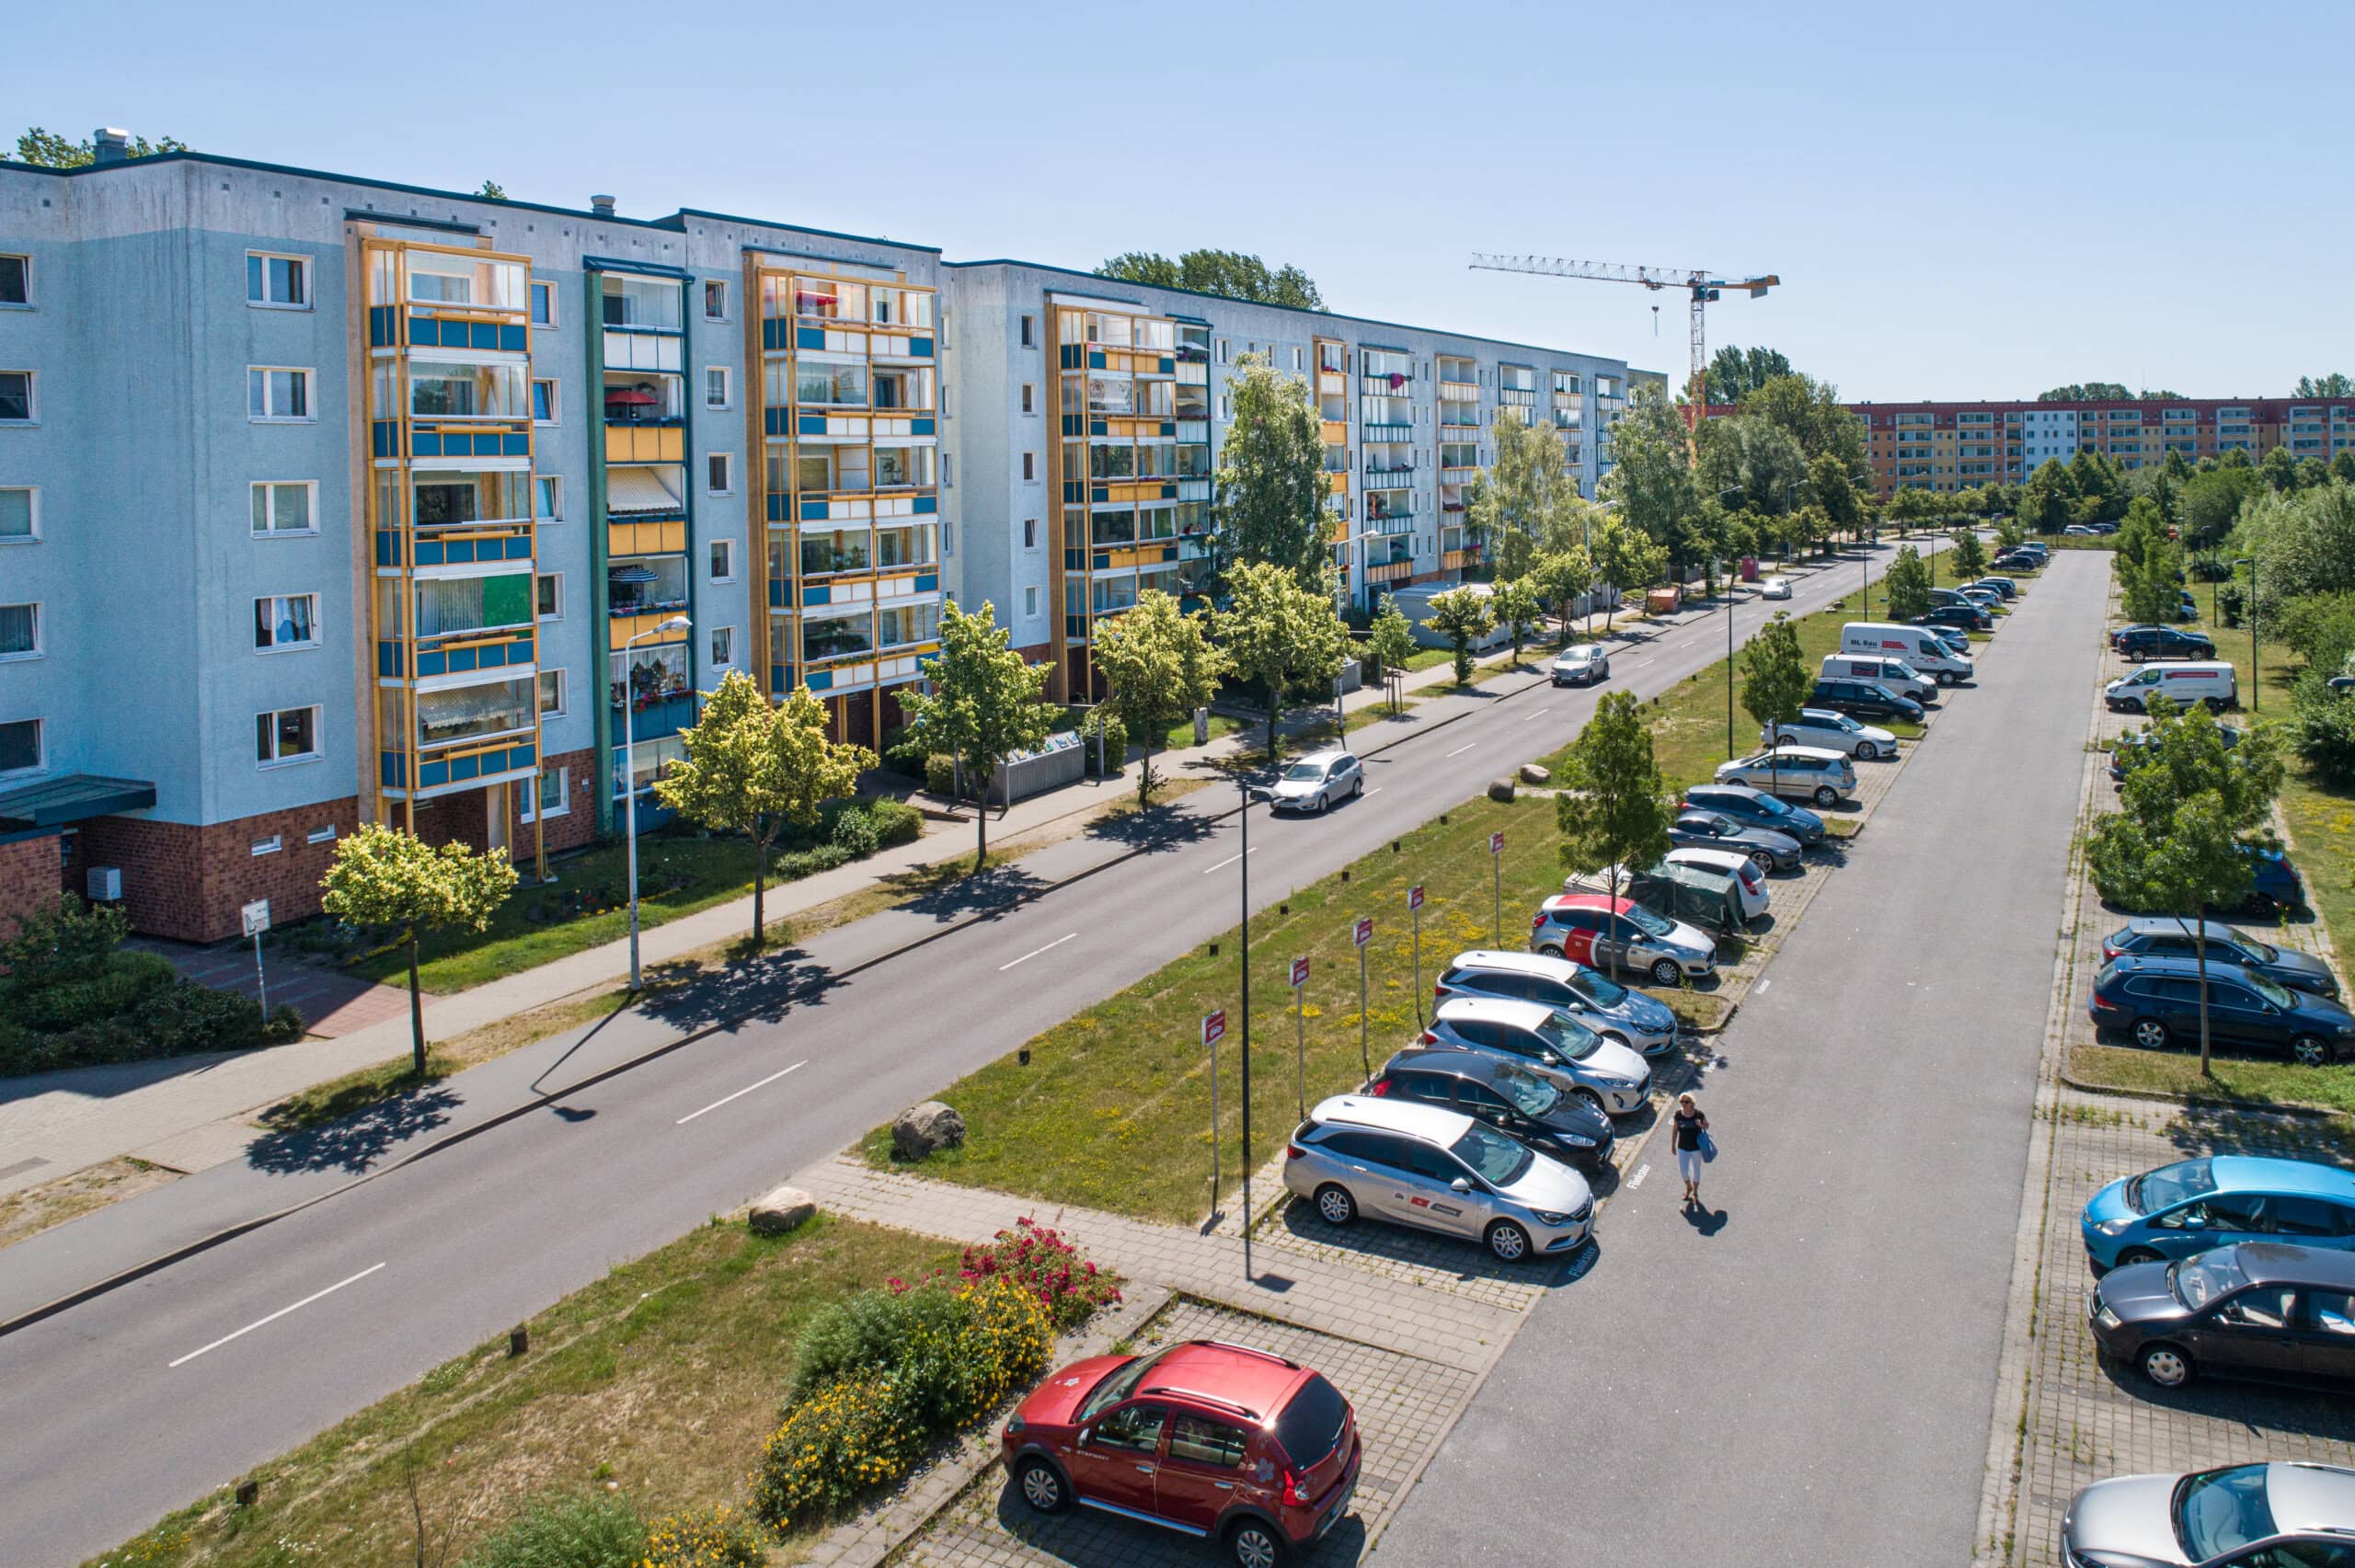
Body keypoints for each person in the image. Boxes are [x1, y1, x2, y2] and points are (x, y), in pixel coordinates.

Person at [1671, 1092, 1709, 1210]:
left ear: (1691, 1103)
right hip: (1682, 1147)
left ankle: (1695, 1192)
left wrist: (1700, 1125)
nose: (1683, 1104)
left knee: (1696, 1170)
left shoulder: (1698, 1114)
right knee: (1683, 1171)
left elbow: (1707, 1126)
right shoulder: (1678, 1115)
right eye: (1681, 1101)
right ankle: (1688, 1187)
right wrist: (1673, 1144)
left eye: (1685, 1102)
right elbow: (1675, 1129)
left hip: (1696, 1148)